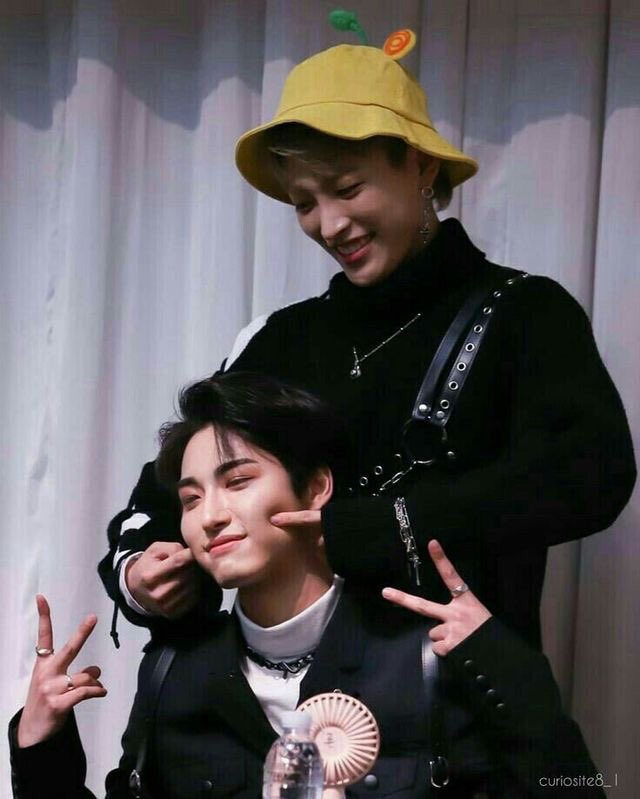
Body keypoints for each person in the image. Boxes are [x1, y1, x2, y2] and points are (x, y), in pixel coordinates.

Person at [99, 37, 636, 651]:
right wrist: (144, 576)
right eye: (305, 203)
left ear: (421, 167)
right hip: (278, 703)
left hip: (457, 695)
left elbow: (592, 475)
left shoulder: (524, 312)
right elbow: (170, 495)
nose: (329, 226)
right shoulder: (278, 339)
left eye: (349, 189)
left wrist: (394, 525)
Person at [11, 373, 605, 798]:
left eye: (237, 482)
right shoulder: (175, 671)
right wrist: (40, 742)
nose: (210, 516)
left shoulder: (426, 655)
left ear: (316, 489)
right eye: (190, 500)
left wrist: (505, 666)